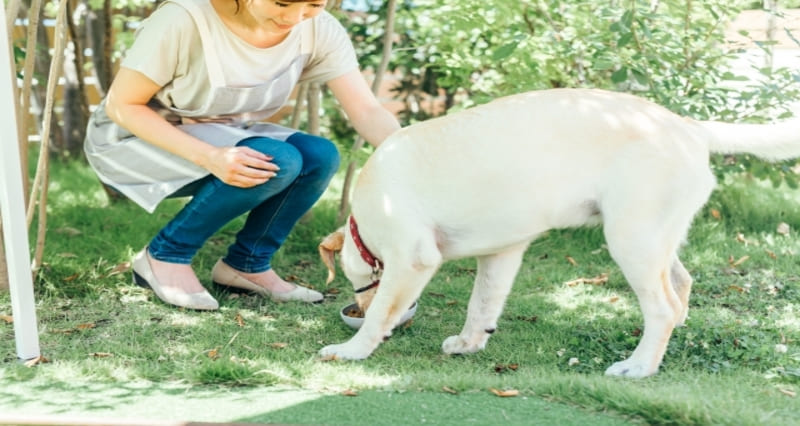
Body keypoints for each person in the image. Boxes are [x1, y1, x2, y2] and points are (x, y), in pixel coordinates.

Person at [84, 0, 400, 310]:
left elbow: (367, 110)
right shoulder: (184, 18)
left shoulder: (319, 28)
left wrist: (413, 163)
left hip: (219, 130)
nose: (296, 17)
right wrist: (209, 157)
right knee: (279, 159)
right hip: (130, 137)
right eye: (281, 3)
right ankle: (165, 255)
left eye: (314, 5)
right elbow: (122, 105)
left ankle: (246, 264)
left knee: (320, 155)